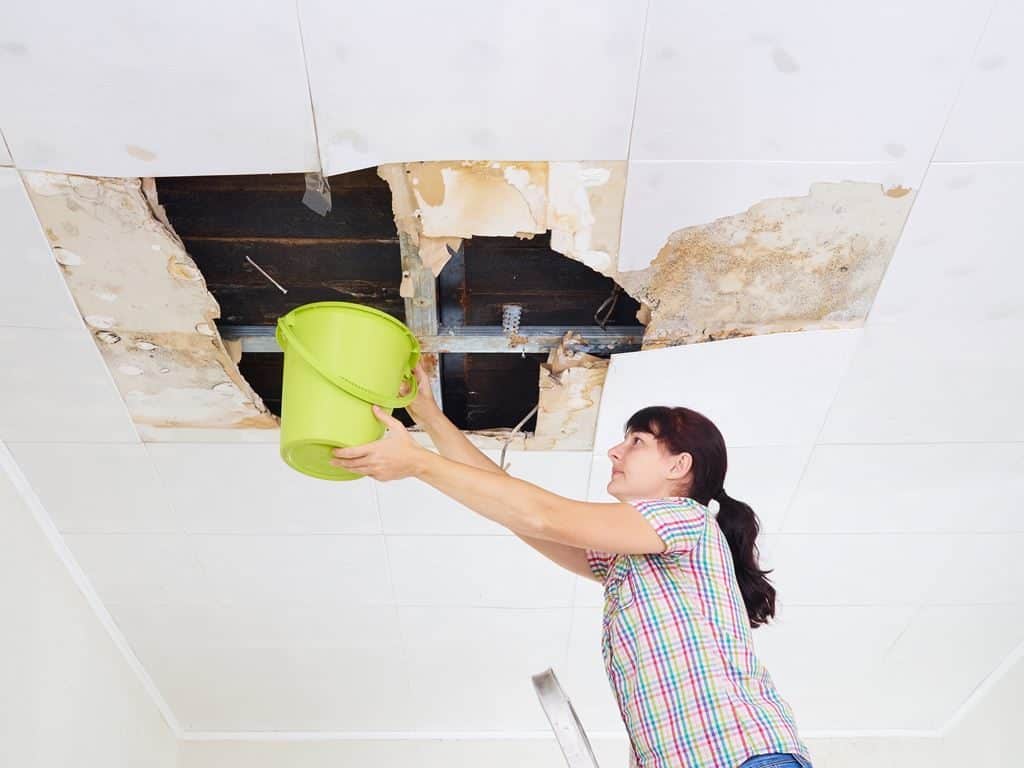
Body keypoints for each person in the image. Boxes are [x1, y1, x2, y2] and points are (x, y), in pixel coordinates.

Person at [331, 361, 813, 768]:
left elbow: (541, 514)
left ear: (678, 466)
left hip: (744, 755)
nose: (615, 451)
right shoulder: (629, 559)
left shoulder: (686, 519)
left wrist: (418, 463)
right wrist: (427, 415)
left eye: (637, 442)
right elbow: (521, 514)